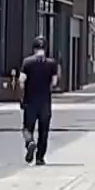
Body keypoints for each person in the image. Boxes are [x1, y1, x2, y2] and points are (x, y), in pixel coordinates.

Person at [19, 37, 60, 165]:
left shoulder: (27, 62)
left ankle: (30, 142)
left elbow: (21, 80)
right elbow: (54, 82)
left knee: (27, 128)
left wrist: (23, 94)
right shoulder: (51, 63)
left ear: (34, 48)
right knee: (44, 131)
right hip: (45, 102)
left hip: (30, 101)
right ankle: (40, 157)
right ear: (45, 48)